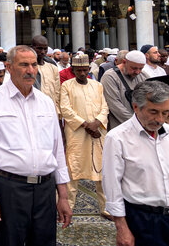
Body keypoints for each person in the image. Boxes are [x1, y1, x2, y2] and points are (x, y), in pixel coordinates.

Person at [0, 45, 72, 246]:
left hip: (44, 188)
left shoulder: (46, 103)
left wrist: (63, 196)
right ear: (9, 67)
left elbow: (57, 151)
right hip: (9, 189)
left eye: (34, 65)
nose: (30, 70)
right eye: (24, 65)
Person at [102, 80, 169, 246]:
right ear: (136, 107)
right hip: (143, 221)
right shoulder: (118, 138)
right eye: (153, 112)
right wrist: (122, 227)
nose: (160, 119)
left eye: (165, 113)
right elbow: (112, 186)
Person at [59, 53, 111, 220]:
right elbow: (65, 109)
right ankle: (68, 208)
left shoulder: (97, 86)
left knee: (102, 168)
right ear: (73, 70)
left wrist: (97, 123)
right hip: (77, 133)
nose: (81, 73)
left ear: (89, 69)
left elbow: (105, 107)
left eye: (84, 70)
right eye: (78, 70)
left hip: (98, 131)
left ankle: (107, 208)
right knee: (73, 168)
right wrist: (86, 125)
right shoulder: (66, 86)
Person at [101, 50, 147, 129]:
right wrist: (137, 123)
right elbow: (114, 105)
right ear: (124, 62)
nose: (138, 72)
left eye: (141, 68)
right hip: (120, 127)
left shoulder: (143, 76)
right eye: (134, 68)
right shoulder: (110, 77)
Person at [32, 35, 62, 117]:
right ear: (32, 48)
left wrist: (58, 114)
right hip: (34, 111)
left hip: (51, 111)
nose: (42, 52)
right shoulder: (28, 68)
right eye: (39, 48)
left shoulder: (52, 67)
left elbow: (57, 92)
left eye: (45, 49)